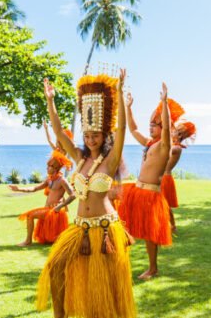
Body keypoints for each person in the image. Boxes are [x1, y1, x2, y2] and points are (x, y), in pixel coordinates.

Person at [36, 69, 136, 318]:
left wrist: (120, 94)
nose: (91, 140)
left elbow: (122, 129)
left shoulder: (110, 161)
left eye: (96, 135)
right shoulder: (79, 158)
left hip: (104, 230)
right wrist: (50, 101)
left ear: (104, 136)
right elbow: (59, 133)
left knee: (104, 287)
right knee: (55, 266)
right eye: (87, 135)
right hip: (79, 228)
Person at [118, 85, 179, 280]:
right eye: (151, 124)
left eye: (155, 124)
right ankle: (120, 260)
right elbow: (133, 128)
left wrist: (164, 104)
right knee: (122, 224)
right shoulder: (149, 143)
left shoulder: (164, 145)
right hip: (136, 190)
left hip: (151, 194)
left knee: (150, 234)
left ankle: (153, 268)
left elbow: (168, 128)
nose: (151, 126)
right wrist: (128, 107)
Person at [10, 150, 75, 246]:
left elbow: (73, 195)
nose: (47, 168)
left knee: (30, 215)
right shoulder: (49, 180)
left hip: (55, 210)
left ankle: (28, 241)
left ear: (56, 167)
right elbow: (35, 188)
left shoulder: (62, 180)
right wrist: (19, 189)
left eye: (49, 166)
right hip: (48, 208)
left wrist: (61, 205)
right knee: (52, 240)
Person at [162, 118, 197, 233]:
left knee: (165, 205)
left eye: (174, 131)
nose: (171, 131)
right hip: (161, 177)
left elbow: (164, 150)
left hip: (165, 178)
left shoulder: (176, 148)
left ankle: (173, 226)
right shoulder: (173, 145)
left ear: (179, 135)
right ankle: (170, 226)